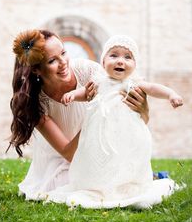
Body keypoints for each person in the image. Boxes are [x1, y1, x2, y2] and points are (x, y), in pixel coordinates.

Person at [44, 35, 183, 209]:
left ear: (135, 64)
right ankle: (100, 185)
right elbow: (85, 95)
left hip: (127, 134)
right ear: (103, 62)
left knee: (126, 159)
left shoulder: (134, 83)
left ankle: (127, 184)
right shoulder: (98, 81)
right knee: (100, 160)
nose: (120, 61)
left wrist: (171, 95)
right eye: (114, 55)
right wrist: (73, 95)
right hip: (99, 134)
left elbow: (154, 88)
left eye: (127, 57)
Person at [9, 29, 149, 200]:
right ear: (37, 70)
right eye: (52, 60)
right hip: (66, 159)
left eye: (63, 53)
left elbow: (126, 117)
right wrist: (94, 119)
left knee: (118, 177)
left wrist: (144, 110)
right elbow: (68, 153)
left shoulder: (88, 71)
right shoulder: (35, 103)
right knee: (69, 184)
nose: (63, 63)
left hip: (99, 150)